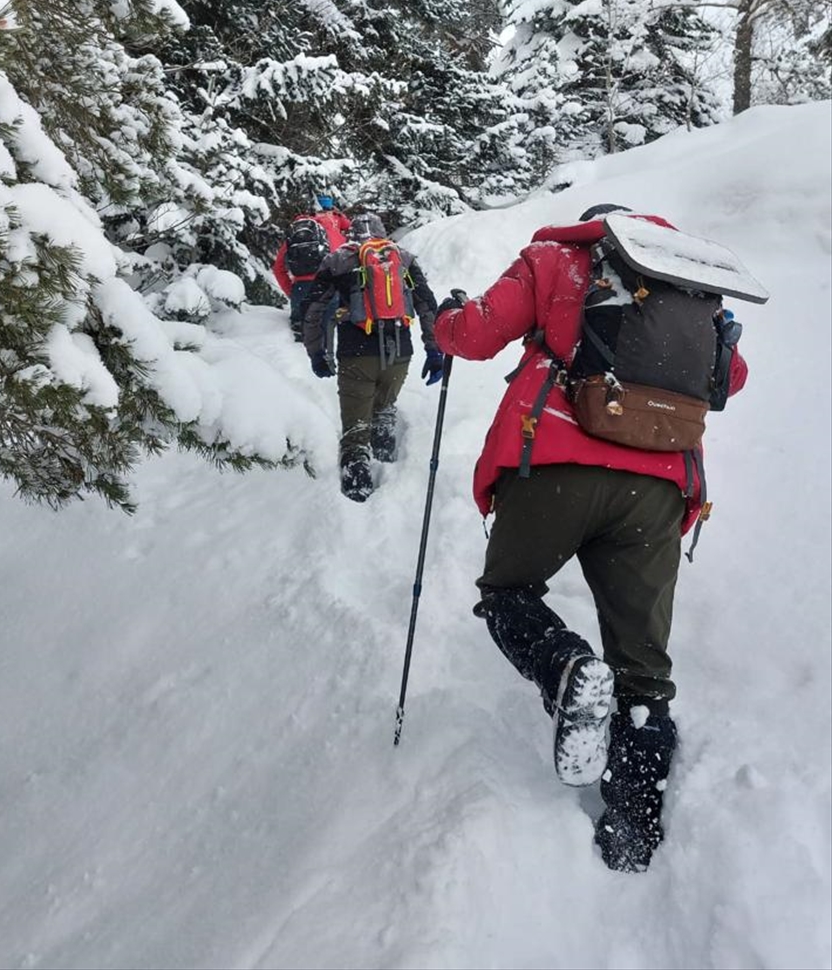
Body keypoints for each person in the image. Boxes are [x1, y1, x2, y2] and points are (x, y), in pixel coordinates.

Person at [433, 204, 748, 873]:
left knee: (510, 591)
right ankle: (632, 835)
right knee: (644, 673)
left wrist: (447, 315)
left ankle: (566, 667)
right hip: (660, 486)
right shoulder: (686, 282)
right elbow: (732, 377)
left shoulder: (554, 261)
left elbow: (475, 335)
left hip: (555, 463)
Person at [303, 212, 443, 501]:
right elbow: (427, 305)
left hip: (356, 354)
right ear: (383, 233)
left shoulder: (338, 260)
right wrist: (434, 349)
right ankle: (385, 452)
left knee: (356, 425)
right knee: (385, 404)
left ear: (351, 234)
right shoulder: (402, 259)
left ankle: (357, 490)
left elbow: (313, 310)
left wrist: (317, 353)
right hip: (400, 353)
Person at [273, 195, 351, 341]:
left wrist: (292, 292)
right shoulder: (334, 233)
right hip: (327, 289)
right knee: (326, 340)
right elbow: (344, 265)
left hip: (300, 290)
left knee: (297, 344)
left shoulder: (298, 233)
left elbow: (278, 268)